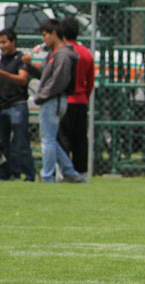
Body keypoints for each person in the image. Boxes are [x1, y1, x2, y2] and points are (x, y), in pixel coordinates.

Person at [22, 18, 83, 183]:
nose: (43, 40)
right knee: (51, 138)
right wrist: (29, 65)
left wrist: (41, 96)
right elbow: (42, 73)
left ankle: (47, 176)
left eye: (45, 35)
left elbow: (58, 81)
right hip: (52, 100)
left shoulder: (63, 55)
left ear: (54, 34)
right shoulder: (53, 54)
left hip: (53, 100)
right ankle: (70, 172)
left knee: (47, 140)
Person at [0, 28, 35, 181]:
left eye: (4, 42)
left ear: (13, 42)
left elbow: (23, 79)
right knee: (2, 143)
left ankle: (28, 174)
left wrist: (3, 74)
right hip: (2, 106)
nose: (1, 46)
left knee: (21, 142)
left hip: (18, 105)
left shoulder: (20, 59)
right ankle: (5, 174)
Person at [57, 16, 94, 181]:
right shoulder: (86, 53)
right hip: (81, 101)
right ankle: (81, 172)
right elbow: (90, 80)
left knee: (63, 138)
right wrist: (85, 96)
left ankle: (65, 172)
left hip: (65, 100)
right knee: (80, 139)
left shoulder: (61, 52)